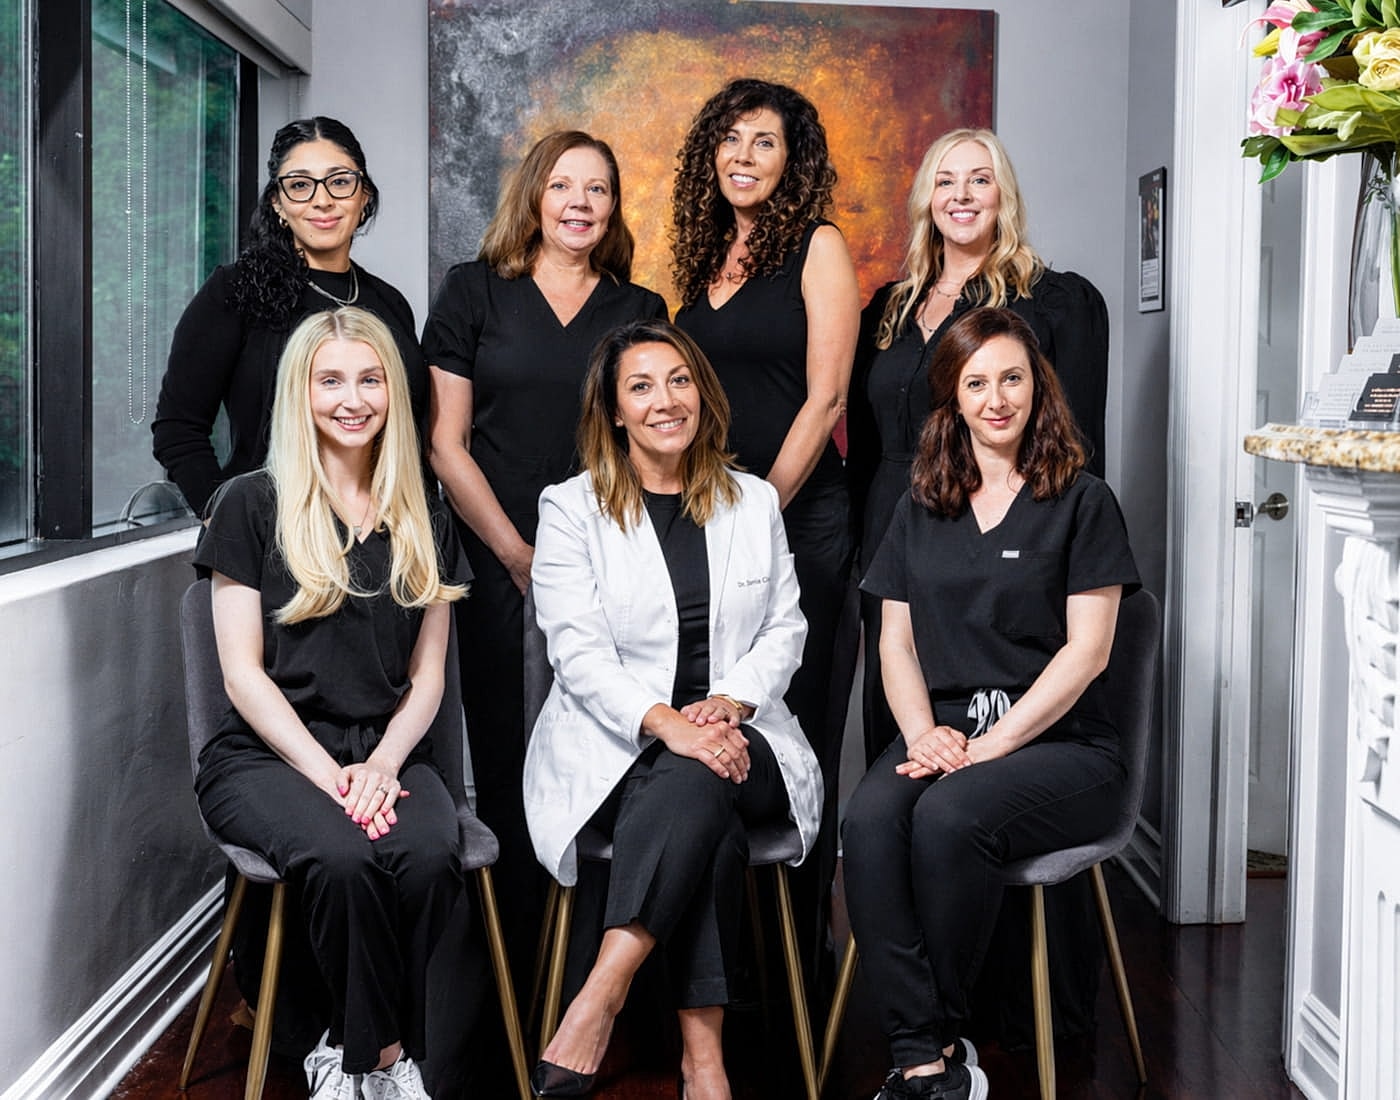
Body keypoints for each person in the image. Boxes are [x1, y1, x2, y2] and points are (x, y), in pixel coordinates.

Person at [841, 308, 1139, 1100]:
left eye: (1013, 378)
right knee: (868, 820)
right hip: (946, 734)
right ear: (954, 398)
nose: (996, 398)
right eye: (977, 382)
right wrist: (924, 734)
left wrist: (994, 743)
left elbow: (1089, 652)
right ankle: (925, 1059)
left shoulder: (1082, 501)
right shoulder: (920, 504)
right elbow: (894, 644)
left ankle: (931, 1041)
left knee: (948, 817)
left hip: (1063, 747)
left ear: (1039, 388)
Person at [523, 319, 821, 1099]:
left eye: (680, 380)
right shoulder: (570, 509)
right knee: (701, 806)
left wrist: (728, 702)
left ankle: (604, 986)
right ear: (614, 410)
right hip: (618, 747)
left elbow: (786, 625)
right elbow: (577, 654)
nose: (666, 401)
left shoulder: (752, 500)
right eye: (642, 386)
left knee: (699, 781)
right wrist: (671, 724)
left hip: (741, 738)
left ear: (702, 393)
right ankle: (705, 1061)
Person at [192, 307, 469, 1100]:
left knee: (424, 856)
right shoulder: (249, 503)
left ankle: (365, 1053)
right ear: (299, 391)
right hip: (266, 754)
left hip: (381, 749)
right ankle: (367, 1061)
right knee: (344, 859)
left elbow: (430, 678)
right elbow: (244, 678)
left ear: (393, 391)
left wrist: (379, 765)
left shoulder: (424, 511)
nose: (353, 398)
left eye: (371, 378)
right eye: (331, 380)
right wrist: (332, 777)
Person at [422, 132, 666, 984]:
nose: (579, 203)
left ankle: (596, 948)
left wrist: (570, 562)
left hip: (608, 558)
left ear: (613, 206)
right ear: (533, 195)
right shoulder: (473, 291)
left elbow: (649, 442)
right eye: (563, 185)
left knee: (606, 738)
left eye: (598, 189)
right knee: (507, 742)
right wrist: (519, 554)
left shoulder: (639, 308)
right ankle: (515, 952)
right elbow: (446, 444)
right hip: (495, 557)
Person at [671, 78, 860, 986]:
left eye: (765, 143)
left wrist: (761, 510)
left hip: (801, 516)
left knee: (802, 718)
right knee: (719, 707)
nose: (744, 157)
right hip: (713, 518)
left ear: (794, 161)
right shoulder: (706, 260)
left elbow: (825, 396)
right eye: (731, 140)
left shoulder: (817, 248)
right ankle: (729, 945)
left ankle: (805, 953)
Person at [846, 127, 1110, 765]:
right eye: (945, 181)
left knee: (994, 710)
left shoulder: (1054, 302)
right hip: (894, 523)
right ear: (926, 200)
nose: (961, 196)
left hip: (1002, 528)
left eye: (980, 179)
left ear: (1004, 197)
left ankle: (987, 839)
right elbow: (861, 432)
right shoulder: (888, 306)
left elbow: (1077, 445)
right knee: (900, 714)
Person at [154, 116, 424, 518]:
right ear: (278, 204)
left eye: (340, 181)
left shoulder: (390, 304)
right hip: (274, 542)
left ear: (363, 195)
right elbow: (178, 430)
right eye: (300, 185)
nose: (322, 200)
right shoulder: (235, 292)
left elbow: (410, 433)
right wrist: (231, 528)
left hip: (384, 535)